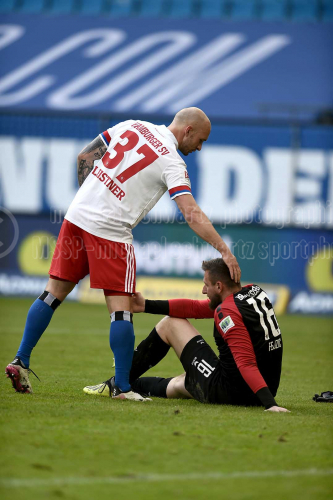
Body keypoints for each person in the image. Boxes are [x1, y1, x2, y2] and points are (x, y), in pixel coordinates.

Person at [5, 108, 241, 400]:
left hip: (77, 216)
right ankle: (122, 388)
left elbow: (84, 157)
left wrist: (93, 198)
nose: (200, 147)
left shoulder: (133, 125)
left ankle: (21, 360)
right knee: (121, 310)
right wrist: (224, 250)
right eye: (201, 139)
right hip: (111, 231)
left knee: (52, 294)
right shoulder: (171, 160)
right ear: (188, 130)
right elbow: (191, 213)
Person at [84, 258, 289, 412]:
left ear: (219, 286)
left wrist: (270, 405)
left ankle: (117, 384)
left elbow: (246, 363)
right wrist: (145, 305)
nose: (202, 290)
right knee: (180, 384)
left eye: (206, 285)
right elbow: (194, 308)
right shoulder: (254, 292)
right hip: (262, 388)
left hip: (233, 391)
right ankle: (129, 386)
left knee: (170, 324)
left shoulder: (227, 313)